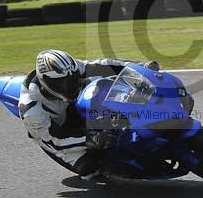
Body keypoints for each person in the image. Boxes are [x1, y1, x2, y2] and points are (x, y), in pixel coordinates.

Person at [18, 49, 158, 179]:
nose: (69, 86)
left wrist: (139, 67)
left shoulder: (70, 70)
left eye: (72, 80)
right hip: (56, 130)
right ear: (46, 82)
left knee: (104, 89)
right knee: (90, 168)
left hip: (70, 104)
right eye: (62, 84)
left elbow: (103, 65)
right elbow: (56, 140)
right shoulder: (32, 111)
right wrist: (91, 138)